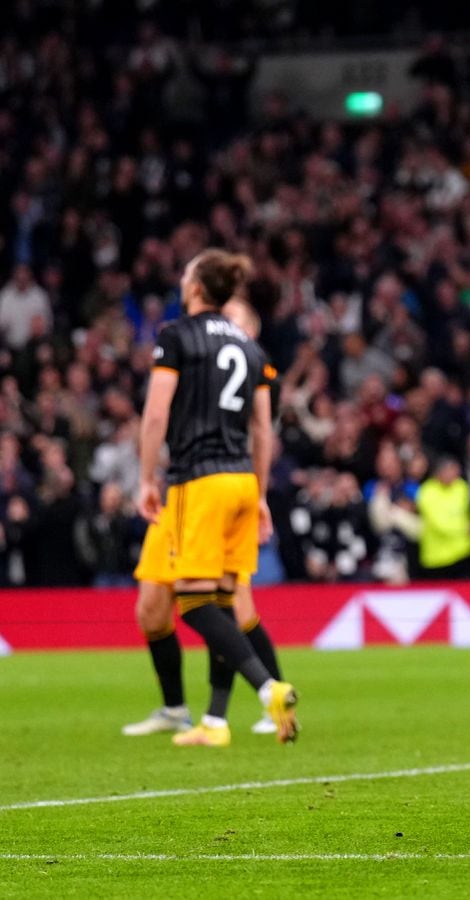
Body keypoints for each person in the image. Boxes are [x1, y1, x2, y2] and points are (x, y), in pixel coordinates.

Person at [136, 248, 298, 746]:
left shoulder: (176, 336)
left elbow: (157, 414)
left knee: (191, 601)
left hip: (198, 479)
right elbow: (262, 432)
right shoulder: (251, 349)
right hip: (244, 482)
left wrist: (146, 478)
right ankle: (215, 721)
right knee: (224, 601)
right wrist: (262, 492)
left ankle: (270, 686)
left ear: (197, 287)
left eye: (186, 274)